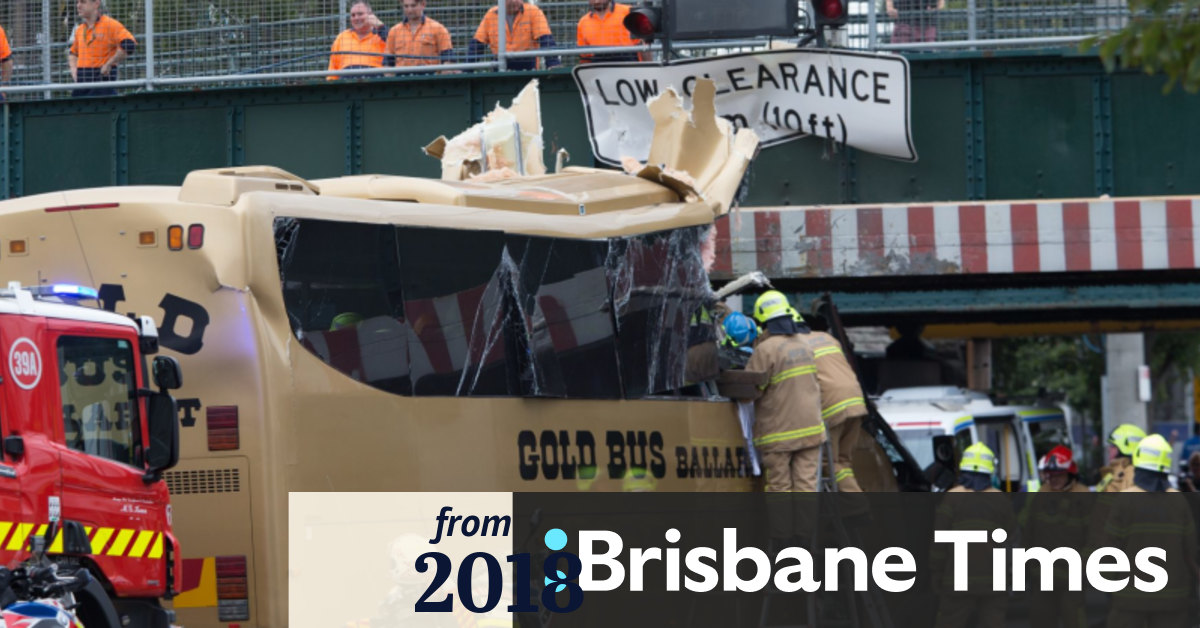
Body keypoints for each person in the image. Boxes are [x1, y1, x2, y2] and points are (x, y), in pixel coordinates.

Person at [1102, 434, 1197, 627]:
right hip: (1172, 599)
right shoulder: (1179, 500)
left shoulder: (1124, 499)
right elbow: (1191, 552)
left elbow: (1109, 549)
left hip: (1129, 598)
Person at [930, 443, 1016, 628]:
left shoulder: (952, 497)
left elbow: (939, 542)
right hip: (994, 584)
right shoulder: (1001, 500)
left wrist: (936, 572)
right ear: (989, 471)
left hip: (957, 583)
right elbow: (1012, 542)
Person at [746, 291, 824, 493]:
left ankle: (783, 527)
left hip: (778, 434)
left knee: (779, 487)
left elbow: (750, 390)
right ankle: (806, 527)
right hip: (811, 429)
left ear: (762, 318)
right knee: (806, 486)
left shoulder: (765, 350)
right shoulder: (805, 344)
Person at [794, 308, 867, 492]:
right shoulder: (828, 339)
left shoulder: (797, 347)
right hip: (856, 402)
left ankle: (859, 512)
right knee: (843, 462)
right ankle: (854, 513)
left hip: (833, 407)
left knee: (828, 462)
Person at [1024, 446, 1090, 628]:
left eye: (1058, 475)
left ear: (1070, 473)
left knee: (1074, 620)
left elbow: (1093, 535)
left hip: (1072, 577)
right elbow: (1029, 531)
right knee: (1041, 620)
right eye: (1049, 475)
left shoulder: (1083, 496)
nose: (1052, 479)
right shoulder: (1041, 494)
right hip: (1042, 575)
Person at [69, 0, 136, 97]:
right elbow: (73, 53)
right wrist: (74, 71)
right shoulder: (80, 29)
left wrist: (109, 63)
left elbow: (129, 45)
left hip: (101, 81)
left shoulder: (109, 24)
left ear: (96, 3)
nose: (78, 6)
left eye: (83, 2)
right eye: (77, 2)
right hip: (82, 83)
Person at [469, 0, 560, 71]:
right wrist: (467, 70)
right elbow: (477, 45)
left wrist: (553, 63)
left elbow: (546, 39)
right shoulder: (491, 14)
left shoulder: (533, 11)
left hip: (527, 64)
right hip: (500, 64)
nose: (515, 1)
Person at [328, 1, 388, 80]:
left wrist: (381, 27)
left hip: (375, 83)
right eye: (353, 15)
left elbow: (395, 47)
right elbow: (333, 70)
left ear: (370, 15)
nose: (356, 18)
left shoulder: (381, 35)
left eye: (360, 14)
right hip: (346, 84)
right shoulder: (341, 37)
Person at [387, 0, 453, 69]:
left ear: (423, 5)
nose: (409, 10)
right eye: (406, 6)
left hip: (429, 75)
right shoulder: (394, 31)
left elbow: (448, 58)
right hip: (401, 76)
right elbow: (388, 61)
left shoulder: (438, 28)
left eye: (413, 6)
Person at [576, 0, 642, 63]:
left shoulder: (628, 12)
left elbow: (642, 45)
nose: (597, 1)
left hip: (628, 64)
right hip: (599, 67)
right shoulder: (583, 22)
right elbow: (584, 57)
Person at [1097, 423, 1145, 492]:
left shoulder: (1132, 475)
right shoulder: (1112, 473)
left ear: (1126, 448)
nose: (1109, 449)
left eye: (1113, 446)